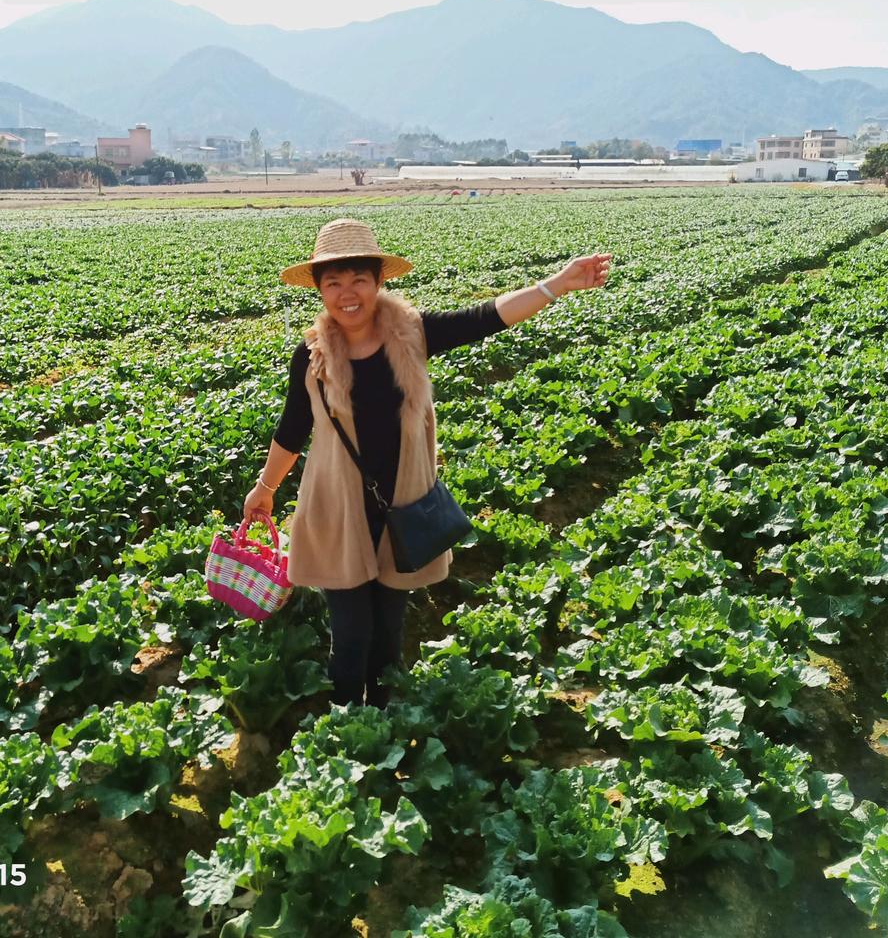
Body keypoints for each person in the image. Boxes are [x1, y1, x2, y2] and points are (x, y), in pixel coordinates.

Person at [242, 218, 611, 708]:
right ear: (319, 289)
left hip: (405, 507)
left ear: (379, 282)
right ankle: (346, 724)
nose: (347, 294)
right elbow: (292, 429)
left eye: (359, 279)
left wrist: (556, 284)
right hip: (339, 510)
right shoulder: (311, 356)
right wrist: (265, 488)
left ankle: (385, 718)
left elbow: (487, 317)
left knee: (389, 631)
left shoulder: (411, 334)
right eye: (333, 283)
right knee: (351, 633)